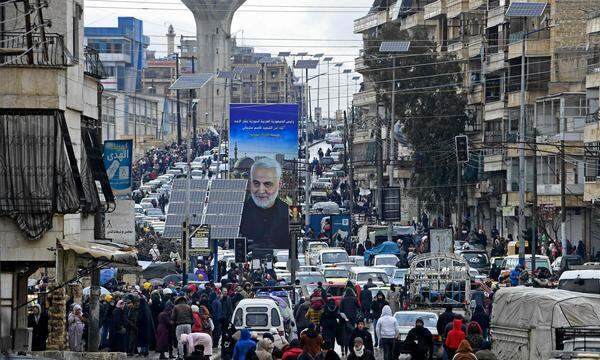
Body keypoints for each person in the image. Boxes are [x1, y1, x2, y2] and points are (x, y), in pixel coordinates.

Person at [240, 158, 290, 253]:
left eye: (267, 184)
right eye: (256, 183)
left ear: (279, 185)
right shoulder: (240, 213)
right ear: (251, 184)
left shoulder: (288, 212)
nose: (261, 190)